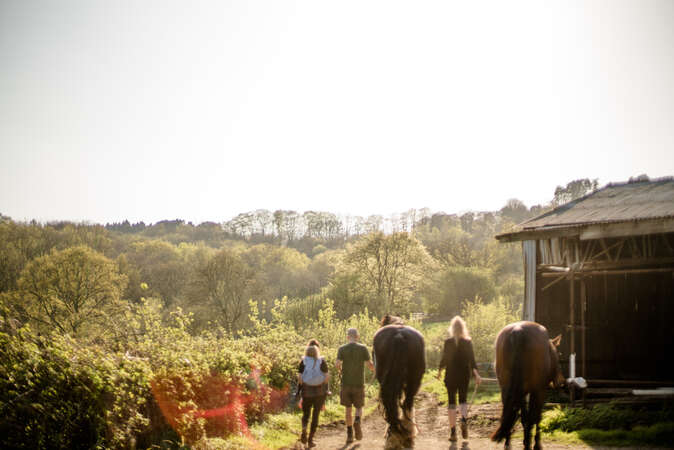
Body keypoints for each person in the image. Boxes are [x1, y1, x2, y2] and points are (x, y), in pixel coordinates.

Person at [437, 316, 481, 442]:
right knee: (463, 400)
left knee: (451, 402)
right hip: (463, 376)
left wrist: (440, 371)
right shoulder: (467, 342)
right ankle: (463, 420)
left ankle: (453, 433)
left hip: (450, 376)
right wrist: (477, 375)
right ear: (463, 328)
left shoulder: (448, 342)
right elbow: (472, 361)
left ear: (452, 328)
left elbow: (445, 359)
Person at [336, 327, 374, 444]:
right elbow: (369, 365)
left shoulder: (342, 349)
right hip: (359, 384)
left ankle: (349, 435)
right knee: (358, 407)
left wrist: (340, 371)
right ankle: (357, 420)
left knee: (348, 410)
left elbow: (337, 364)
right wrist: (376, 370)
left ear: (348, 337)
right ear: (357, 337)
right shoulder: (363, 348)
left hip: (346, 384)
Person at [298, 340, 330, 448]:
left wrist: (303, 387)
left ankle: (304, 429)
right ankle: (311, 439)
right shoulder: (322, 361)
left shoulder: (303, 361)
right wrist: (322, 385)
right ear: (317, 351)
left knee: (306, 414)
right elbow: (326, 377)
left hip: (307, 392)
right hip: (319, 392)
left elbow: (300, 379)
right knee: (315, 415)